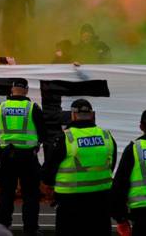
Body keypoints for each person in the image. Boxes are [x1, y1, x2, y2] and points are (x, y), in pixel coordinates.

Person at [42, 99, 117, 236]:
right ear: (92, 114)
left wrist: (49, 186)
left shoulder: (65, 138)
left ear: (73, 115)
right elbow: (111, 165)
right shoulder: (106, 137)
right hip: (100, 198)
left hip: (70, 200)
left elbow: (49, 169)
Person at [0, 78, 46, 236]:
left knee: (6, 194)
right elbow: (43, 132)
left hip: (6, 156)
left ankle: (1, 229)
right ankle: (30, 230)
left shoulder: (1, 107)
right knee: (30, 195)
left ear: (12, 89)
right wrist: (35, 144)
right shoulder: (32, 108)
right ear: (26, 90)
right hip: (27, 156)